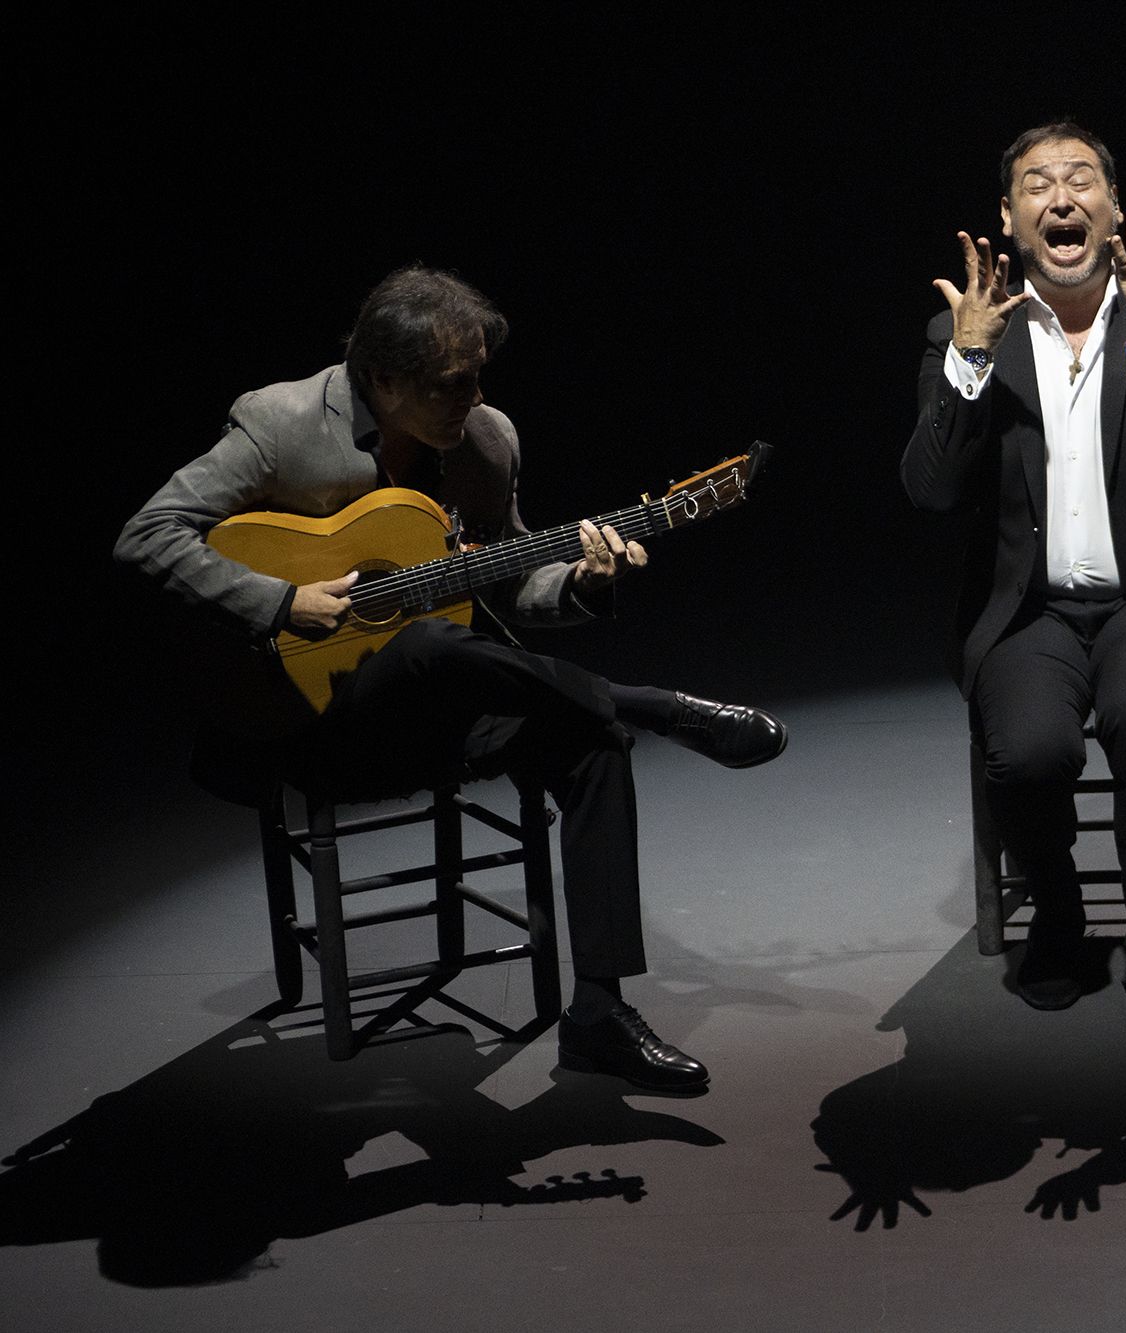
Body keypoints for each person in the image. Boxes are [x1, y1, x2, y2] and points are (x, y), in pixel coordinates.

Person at [115, 265, 789, 1093]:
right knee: (429, 643)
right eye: (449, 384)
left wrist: (585, 581)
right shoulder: (280, 424)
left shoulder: (486, 439)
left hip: (440, 704)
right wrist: (282, 599)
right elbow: (148, 536)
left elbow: (508, 584)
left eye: (478, 378)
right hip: (308, 716)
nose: (471, 399)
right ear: (381, 378)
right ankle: (653, 703)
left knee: (589, 738)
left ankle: (598, 1014)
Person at [901, 121, 1126, 1032]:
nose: (1061, 199)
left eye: (1081, 182)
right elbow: (931, 490)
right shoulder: (965, 330)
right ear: (1010, 219)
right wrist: (971, 359)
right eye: (1037, 185)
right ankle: (1057, 914)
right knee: (1027, 752)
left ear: (1113, 209)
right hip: (1028, 613)